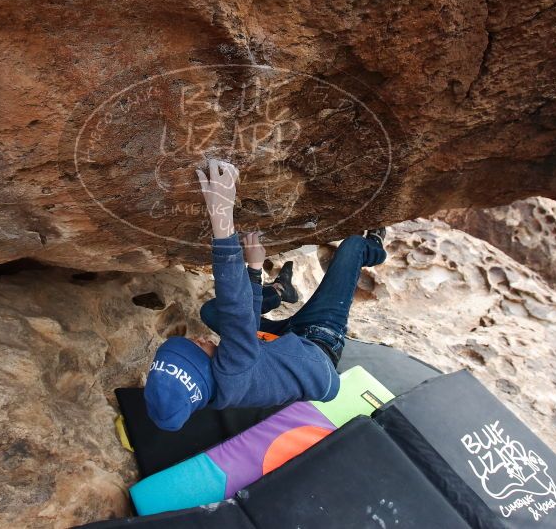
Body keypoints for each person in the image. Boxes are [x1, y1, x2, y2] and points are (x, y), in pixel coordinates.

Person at [144, 159, 388, 431]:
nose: (198, 337)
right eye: (197, 346)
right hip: (319, 342)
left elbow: (243, 324)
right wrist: (221, 216)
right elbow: (236, 307)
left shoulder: (216, 387)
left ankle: (281, 291)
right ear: (203, 371)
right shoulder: (233, 371)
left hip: (281, 343)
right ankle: (375, 246)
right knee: (353, 246)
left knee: (210, 314)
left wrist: (256, 268)